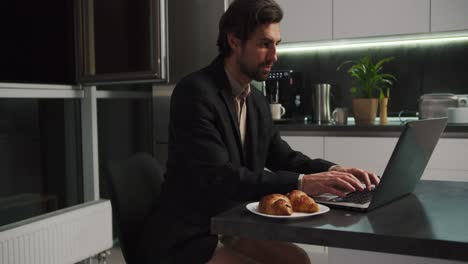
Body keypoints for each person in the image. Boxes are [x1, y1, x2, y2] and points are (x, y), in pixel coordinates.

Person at [138, 0, 380, 263]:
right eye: (265, 44)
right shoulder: (195, 92)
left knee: (298, 261)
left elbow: (282, 156)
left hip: (230, 223)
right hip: (188, 233)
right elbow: (221, 178)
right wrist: (301, 183)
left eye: (277, 44)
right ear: (234, 41)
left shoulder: (256, 100)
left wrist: (335, 172)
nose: (274, 55)